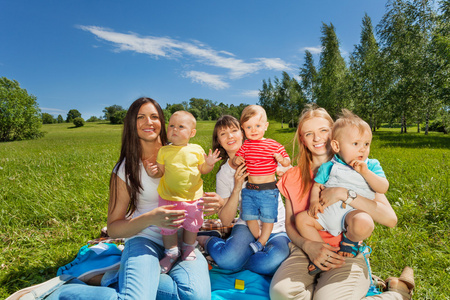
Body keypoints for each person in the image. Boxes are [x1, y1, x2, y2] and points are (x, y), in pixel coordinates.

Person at [47, 98, 211, 300]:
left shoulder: (183, 152)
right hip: (145, 239)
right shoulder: (125, 169)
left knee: (195, 297)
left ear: (162, 122)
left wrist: (216, 202)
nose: (148, 122)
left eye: (153, 116)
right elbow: (114, 228)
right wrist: (152, 218)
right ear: (131, 124)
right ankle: (63, 292)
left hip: (183, 242)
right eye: (140, 117)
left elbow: (196, 187)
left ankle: (116, 279)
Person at [270, 105, 415, 300]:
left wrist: (344, 193)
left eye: (323, 130)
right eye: (309, 133)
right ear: (302, 139)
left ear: (335, 134)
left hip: (347, 253)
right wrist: (308, 245)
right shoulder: (291, 177)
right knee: (281, 294)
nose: (317, 138)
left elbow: (390, 219)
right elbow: (289, 224)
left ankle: (397, 294)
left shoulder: (358, 168)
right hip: (305, 250)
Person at [296, 109, 389, 275]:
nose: (362, 149)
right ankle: (324, 254)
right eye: (356, 144)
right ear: (336, 145)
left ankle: (350, 242)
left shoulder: (371, 165)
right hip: (327, 213)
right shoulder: (330, 166)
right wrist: (313, 203)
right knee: (301, 219)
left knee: (365, 222)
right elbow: (317, 185)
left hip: (352, 214)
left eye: (366, 144)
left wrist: (365, 172)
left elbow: (383, 188)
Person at [197, 115, 290, 276]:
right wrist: (236, 188)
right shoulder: (224, 174)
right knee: (228, 260)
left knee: (272, 262)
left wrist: (284, 172)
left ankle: (242, 260)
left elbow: (291, 175)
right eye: (223, 133)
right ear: (219, 141)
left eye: (234, 131)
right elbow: (226, 220)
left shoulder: (267, 153)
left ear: (242, 133)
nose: (230, 136)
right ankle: (208, 240)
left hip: (276, 225)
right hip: (247, 225)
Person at [144, 110, 221, 273]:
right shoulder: (164, 151)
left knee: (192, 224)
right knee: (168, 225)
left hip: (193, 197)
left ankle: (188, 247)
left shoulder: (196, 149)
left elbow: (203, 169)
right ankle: (171, 252)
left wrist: (209, 163)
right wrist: (153, 172)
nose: (175, 129)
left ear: (192, 133)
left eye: (180, 126)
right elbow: (161, 172)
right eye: (171, 125)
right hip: (168, 197)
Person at [232, 105, 291, 253]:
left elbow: (287, 161)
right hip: (250, 190)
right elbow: (236, 159)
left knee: (268, 217)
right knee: (249, 215)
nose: (253, 130)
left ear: (266, 126)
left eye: (257, 126)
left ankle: (262, 241)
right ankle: (259, 238)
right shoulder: (246, 146)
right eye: (249, 127)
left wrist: (281, 160)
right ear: (243, 129)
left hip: (268, 190)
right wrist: (237, 160)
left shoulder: (273, 144)